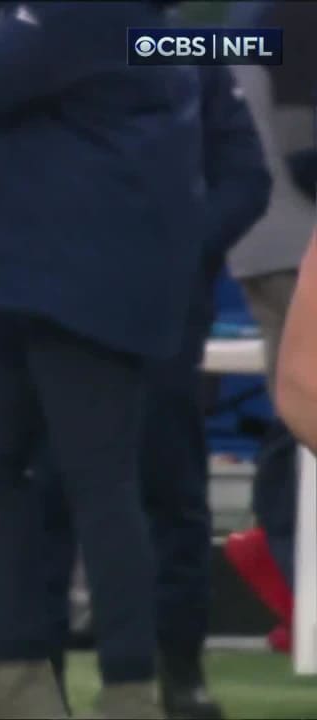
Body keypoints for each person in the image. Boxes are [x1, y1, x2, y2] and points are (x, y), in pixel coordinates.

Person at [0, 2, 206, 718]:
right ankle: (24, 675)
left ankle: (129, 689)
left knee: (98, 480)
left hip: (80, 273)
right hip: (44, 272)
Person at [38, 60, 271, 720]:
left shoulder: (186, 51)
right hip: (58, 300)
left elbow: (245, 176)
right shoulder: (41, 45)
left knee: (170, 489)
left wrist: (175, 248)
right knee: (51, 492)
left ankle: (179, 669)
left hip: (161, 310)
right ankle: (38, 671)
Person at [223, 0, 317, 655]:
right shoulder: (296, 14)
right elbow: (305, 147)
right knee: (302, 406)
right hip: (291, 239)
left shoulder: (251, 16)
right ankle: (288, 571)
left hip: (266, 238)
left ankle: (278, 557)